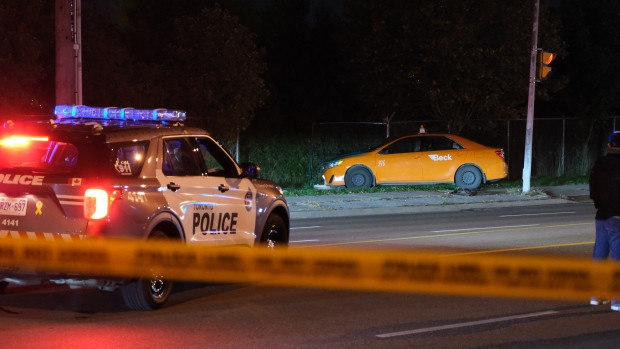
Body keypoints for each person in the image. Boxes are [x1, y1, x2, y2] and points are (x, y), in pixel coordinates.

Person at [589, 130, 620, 311]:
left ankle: (596, 295)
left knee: (599, 255)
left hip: (602, 215)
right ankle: (616, 301)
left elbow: (593, 188)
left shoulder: (600, 163)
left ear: (609, 145)